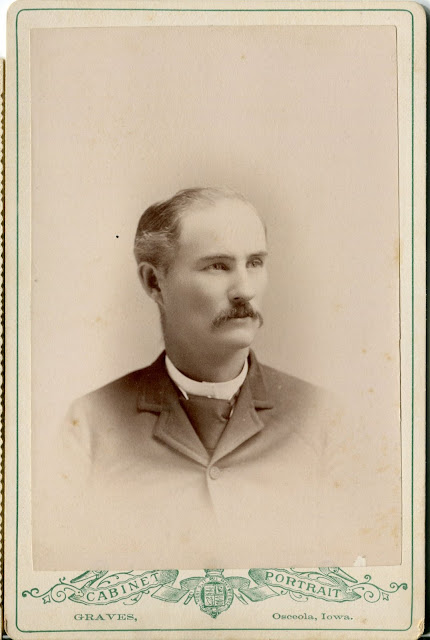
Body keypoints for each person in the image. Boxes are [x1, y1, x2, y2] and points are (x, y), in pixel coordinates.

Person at [38, 187, 400, 570]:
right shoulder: (90, 424)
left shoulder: (325, 420)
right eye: (217, 266)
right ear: (154, 283)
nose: (245, 290)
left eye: (255, 263)